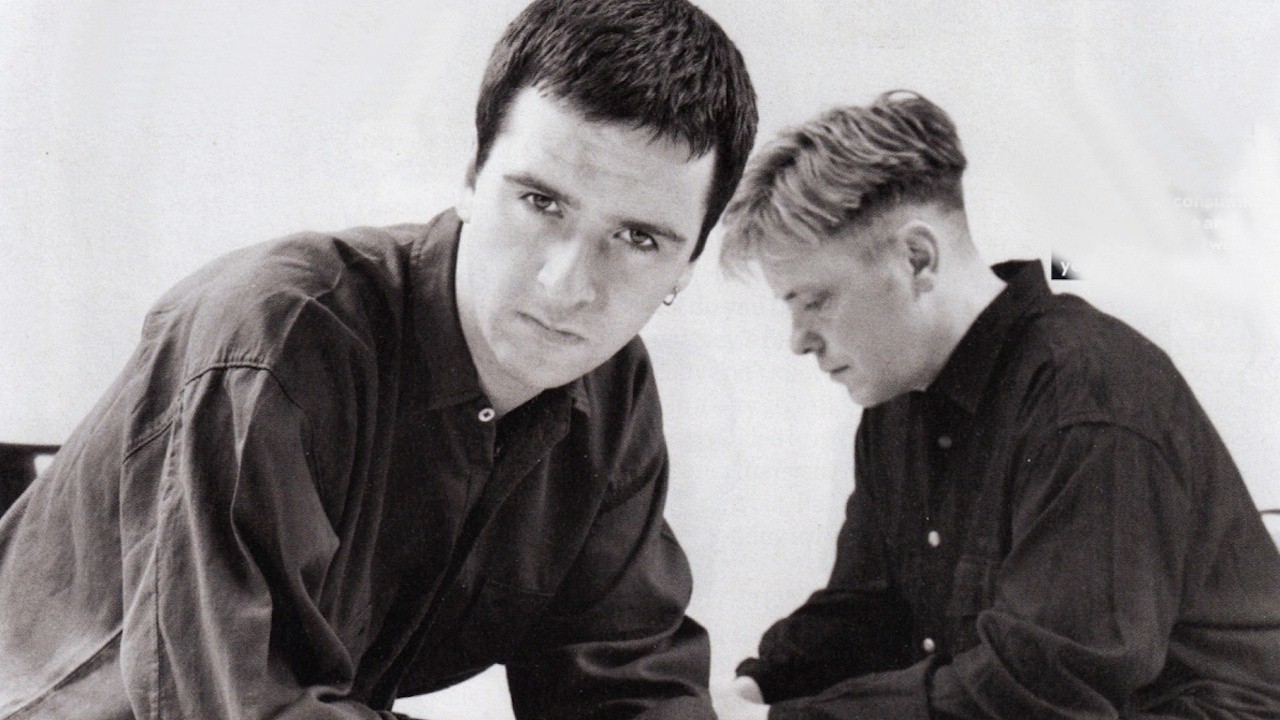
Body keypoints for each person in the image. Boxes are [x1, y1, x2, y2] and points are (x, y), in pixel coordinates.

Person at [0, 1, 757, 717]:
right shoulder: (272, 343)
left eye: (638, 239)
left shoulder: (609, 391)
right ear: (471, 179)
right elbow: (245, 706)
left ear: (688, 265)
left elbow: (628, 678)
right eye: (540, 202)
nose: (566, 285)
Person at [711, 91, 1280, 719]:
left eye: (815, 301)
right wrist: (753, 692)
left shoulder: (1087, 394)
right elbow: (870, 612)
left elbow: (1047, 692)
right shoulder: (897, 404)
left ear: (917, 259)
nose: (798, 341)